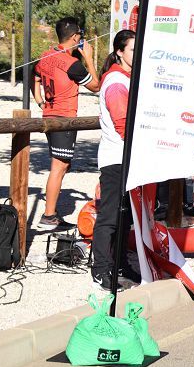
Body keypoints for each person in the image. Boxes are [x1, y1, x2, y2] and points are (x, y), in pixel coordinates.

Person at [34, 17, 101, 230]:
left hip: (49, 115)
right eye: (80, 36)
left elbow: (34, 76)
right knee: (59, 167)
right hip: (64, 118)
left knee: (62, 164)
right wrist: (89, 58)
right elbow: (96, 86)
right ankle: (49, 215)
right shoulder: (72, 65)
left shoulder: (46, 56)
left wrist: (40, 101)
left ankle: (50, 213)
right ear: (75, 37)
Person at [92, 30, 138, 290]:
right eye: (132, 49)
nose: (136, 54)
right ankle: (100, 270)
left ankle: (120, 263)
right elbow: (124, 126)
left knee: (124, 217)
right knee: (109, 217)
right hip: (115, 159)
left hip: (128, 159)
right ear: (120, 52)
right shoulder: (116, 82)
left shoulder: (129, 78)